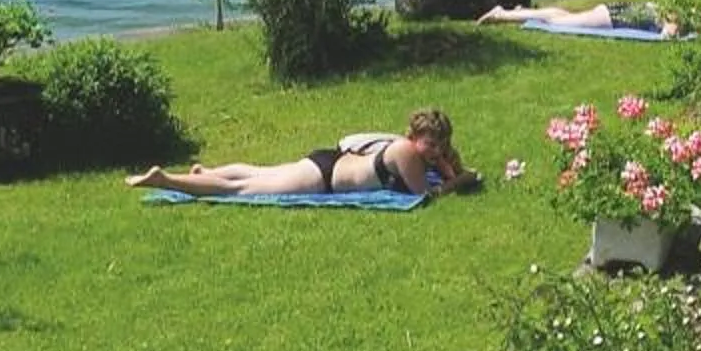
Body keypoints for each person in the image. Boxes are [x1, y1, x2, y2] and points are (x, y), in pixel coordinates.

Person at [124, 108, 473, 198]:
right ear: (414, 137)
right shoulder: (407, 154)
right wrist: (460, 178)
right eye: (431, 143)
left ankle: (205, 172)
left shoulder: (395, 143)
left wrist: (444, 161)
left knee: (255, 171)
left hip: (326, 161)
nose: (436, 150)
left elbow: (352, 139)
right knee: (239, 191)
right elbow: (427, 195)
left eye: (441, 143)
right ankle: (165, 179)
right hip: (322, 180)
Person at [477, 0, 680, 36]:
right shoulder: (675, 17)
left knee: (563, 16)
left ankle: (520, 12)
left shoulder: (672, 6)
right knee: (557, 21)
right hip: (615, 18)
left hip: (617, 12)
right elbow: (669, 34)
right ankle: (501, 15)